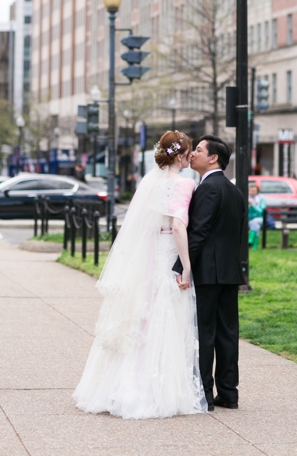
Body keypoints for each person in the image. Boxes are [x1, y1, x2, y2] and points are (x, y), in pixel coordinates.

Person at [73, 130, 206, 418]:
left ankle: (116, 387)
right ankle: (153, 389)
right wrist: (185, 264)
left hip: (148, 252)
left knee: (139, 316)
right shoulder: (184, 184)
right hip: (168, 250)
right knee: (164, 316)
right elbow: (179, 226)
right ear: (181, 155)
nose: (190, 157)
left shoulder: (150, 182)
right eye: (189, 152)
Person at [174, 135, 247, 410]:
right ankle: (229, 393)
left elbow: (199, 232)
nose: (193, 154)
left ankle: (204, 393)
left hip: (207, 272)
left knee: (204, 333)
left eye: (200, 150)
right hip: (228, 272)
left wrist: (182, 267)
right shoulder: (234, 190)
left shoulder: (208, 189)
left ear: (213, 158)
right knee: (227, 333)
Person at [247, 181, 265, 249]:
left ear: (257, 191)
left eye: (254, 191)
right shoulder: (246, 198)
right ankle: (255, 246)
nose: (252, 192)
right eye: (251, 190)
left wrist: (253, 205)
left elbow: (260, 211)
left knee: (254, 222)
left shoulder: (261, 199)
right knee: (255, 225)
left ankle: (250, 240)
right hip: (249, 219)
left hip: (259, 218)